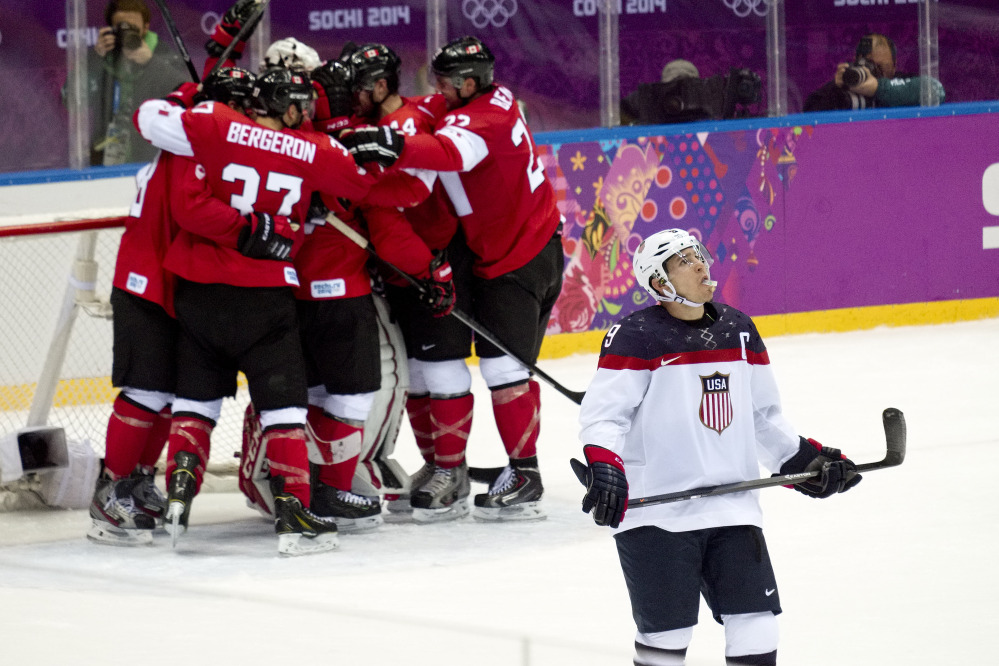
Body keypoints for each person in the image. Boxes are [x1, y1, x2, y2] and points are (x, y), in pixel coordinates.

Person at [132, 67, 399, 555]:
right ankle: (295, 513)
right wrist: (360, 147)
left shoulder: (213, 120)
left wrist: (191, 87)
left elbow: (147, 118)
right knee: (285, 410)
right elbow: (360, 185)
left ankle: (178, 493)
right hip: (265, 294)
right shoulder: (313, 147)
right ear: (293, 109)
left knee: (196, 403)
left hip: (198, 292)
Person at [574, 228, 863, 665]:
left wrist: (807, 460)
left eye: (699, 255)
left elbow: (762, 417)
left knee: (757, 624)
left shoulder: (739, 329)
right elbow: (603, 416)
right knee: (667, 634)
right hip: (657, 513)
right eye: (684, 260)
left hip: (732, 506)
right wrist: (606, 465)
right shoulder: (635, 336)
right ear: (660, 283)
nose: (700, 264)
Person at [371, 36, 565, 522]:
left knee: (504, 370)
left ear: (470, 82)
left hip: (519, 257)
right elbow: (430, 111)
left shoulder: (483, 120)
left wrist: (387, 142)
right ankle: (479, 468)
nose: (438, 89)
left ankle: (525, 473)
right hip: (517, 250)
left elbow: (446, 152)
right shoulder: (481, 98)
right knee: (492, 368)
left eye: (446, 82)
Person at [345, 43, 478, 523]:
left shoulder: (410, 126)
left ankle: (453, 471)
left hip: (434, 261)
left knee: (441, 368)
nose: (350, 97)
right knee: (419, 373)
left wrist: (432, 269)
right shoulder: (381, 124)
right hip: (404, 267)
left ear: (381, 87)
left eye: (359, 89)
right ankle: (435, 465)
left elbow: (410, 198)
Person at [63, 0, 188, 166]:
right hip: (107, 157)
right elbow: (70, 100)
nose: (127, 35)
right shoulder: (102, 57)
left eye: (134, 30)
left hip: (153, 158)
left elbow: (188, 96)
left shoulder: (164, 56)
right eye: (122, 29)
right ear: (111, 29)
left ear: (146, 27)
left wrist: (151, 63)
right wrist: (96, 58)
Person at [804, 33, 946, 112]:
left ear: (894, 66)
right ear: (855, 61)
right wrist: (837, 88)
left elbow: (936, 90)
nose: (874, 71)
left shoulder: (901, 84)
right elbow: (809, 114)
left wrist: (878, 88)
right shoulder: (843, 88)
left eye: (881, 66)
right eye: (869, 64)